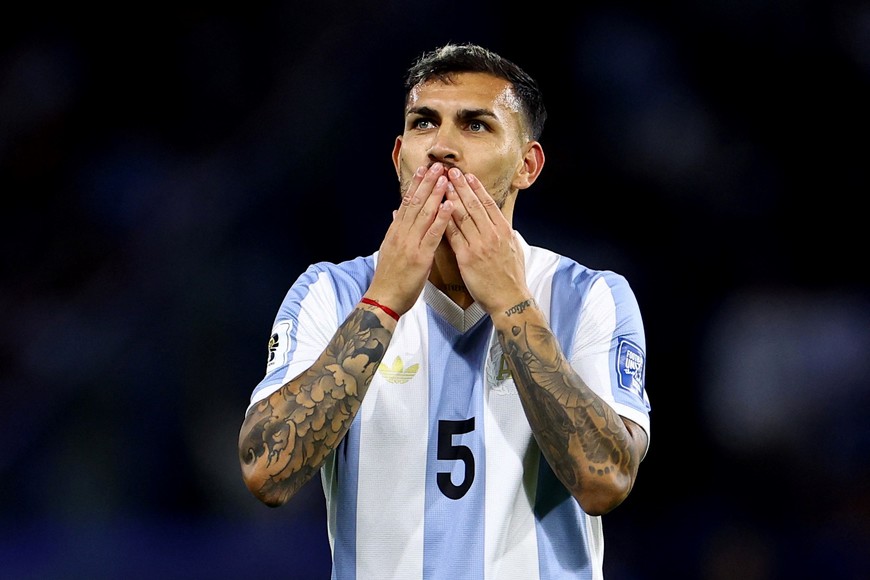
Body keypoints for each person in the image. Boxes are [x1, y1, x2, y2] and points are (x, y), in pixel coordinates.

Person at [238, 42, 651, 579]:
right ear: (398, 155)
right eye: (424, 123)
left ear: (528, 164)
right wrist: (382, 303)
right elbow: (267, 473)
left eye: (476, 125)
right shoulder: (330, 294)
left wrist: (510, 303)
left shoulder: (589, 296)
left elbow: (606, 482)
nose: (442, 147)